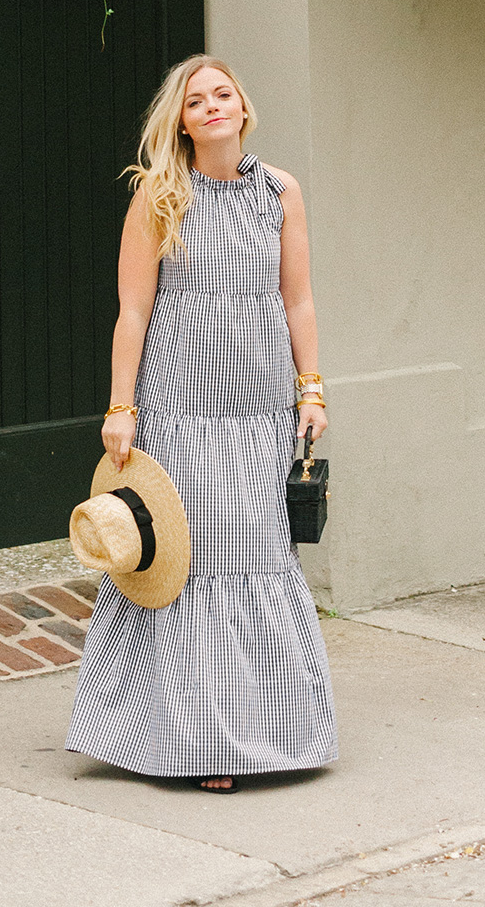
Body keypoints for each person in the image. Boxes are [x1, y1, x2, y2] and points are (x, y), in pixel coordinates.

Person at [65, 54, 337, 790]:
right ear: (180, 121)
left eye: (223, 94)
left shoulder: (281, 192)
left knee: (256, 553)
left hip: (257, 412)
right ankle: (200, 741)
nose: (212, 106)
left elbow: (298, 301)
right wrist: (121, 407)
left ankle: (273, 729)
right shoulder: (160, 194)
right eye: (196, 99)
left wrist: (311, 389)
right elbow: (133, 310)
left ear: (243, 108)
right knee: (189, 563)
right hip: (180, 412)